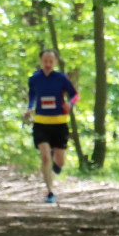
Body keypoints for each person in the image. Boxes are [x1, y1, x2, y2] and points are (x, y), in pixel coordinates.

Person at [24, 49, 78, 203]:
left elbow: (75, 94)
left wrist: (70, 103)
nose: (48, 64)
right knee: (45, 156)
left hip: (59, 124)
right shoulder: (34, 79)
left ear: (55, 62)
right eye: (45, 61)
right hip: (41, 123)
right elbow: (32, 96)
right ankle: (50, 192)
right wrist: (29, 109)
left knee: (59, 162)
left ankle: (54, 170)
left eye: (51, 61)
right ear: (41, 61)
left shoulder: (61, 78)